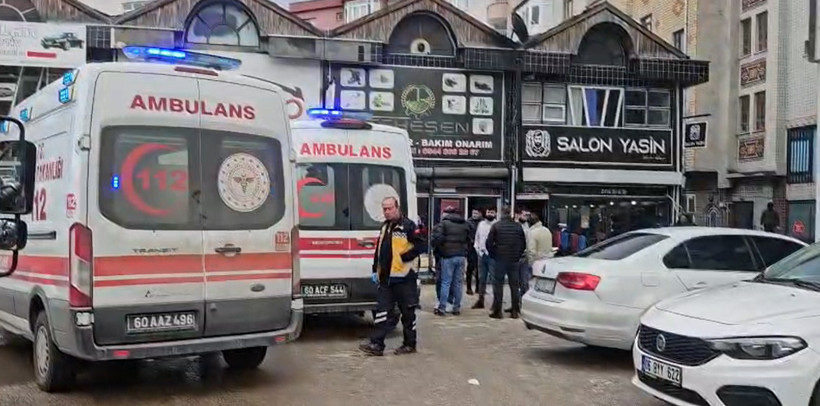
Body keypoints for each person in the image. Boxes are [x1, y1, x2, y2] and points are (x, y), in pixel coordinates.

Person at [359, 196, 424, 356]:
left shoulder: (408, 226)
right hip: (386, 278)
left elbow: (421, 245)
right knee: (382, 311)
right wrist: (375, 269)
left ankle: (409, 344)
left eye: (389, 208)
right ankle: (377, 344)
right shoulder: (385, 226)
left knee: (407, 313)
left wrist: (404, 257)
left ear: (397, 207)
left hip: (404, 277)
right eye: (384, 209)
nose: (387, 212)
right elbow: (379, 250)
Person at [485, 206, 527, 319]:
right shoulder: (518, 226)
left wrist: (494, 254)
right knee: (514, 285)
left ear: (501, 214)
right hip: (513, 260)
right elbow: (523, 244)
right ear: (510, 214)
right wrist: (517, 255)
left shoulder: (496, 226)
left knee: (498, 285)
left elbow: (488, 243)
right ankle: (514, 310)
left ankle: (498, 311)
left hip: (499, 260)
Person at [431, 206, 470, 316]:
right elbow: (469, 238)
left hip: (447, 256)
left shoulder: (444, 224)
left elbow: (438, 239)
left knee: (445, 282)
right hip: (461, 256)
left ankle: (442, 307)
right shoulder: (464, 224)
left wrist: (441, 249)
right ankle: (456, 308)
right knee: (458, 283)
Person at [471, 208, 497, 309]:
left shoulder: (497, 225)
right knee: (481, 278)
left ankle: (496, 302)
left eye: (492, 212)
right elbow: (477, 238)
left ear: (495, 214)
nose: (490, 214)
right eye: (488, 212)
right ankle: (480, 300)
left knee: (494, 279)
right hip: (481, 254)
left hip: (493, 256)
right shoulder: (481, 224)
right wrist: (478, 249)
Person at [525, 213, 553, 293]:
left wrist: (530, 263)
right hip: (547, 260)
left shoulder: (532, 232)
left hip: (537, 261)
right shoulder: (547, 230)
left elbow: (531, 250)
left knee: (532, 285)